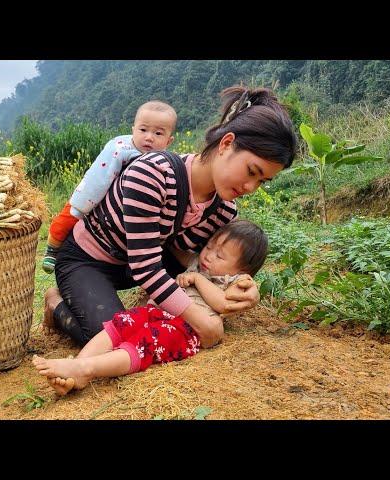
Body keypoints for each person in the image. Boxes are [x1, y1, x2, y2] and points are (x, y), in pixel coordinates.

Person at [43, 85, 298, 352]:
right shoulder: (153, 174)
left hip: (135, 265)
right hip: (89, 259)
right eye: (251, 171)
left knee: (158, 325)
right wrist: (201, 321)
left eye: (261, 181)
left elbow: (199, 263)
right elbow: (146, 266)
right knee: (116, 341)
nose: (250, 187)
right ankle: (57, 304)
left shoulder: (224, 210)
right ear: (226, 144)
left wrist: (242, 284)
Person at [34, 219, 268, 395]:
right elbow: (174, 248)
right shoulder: (198, 261)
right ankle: (77, 368)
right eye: (210, 246)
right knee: (118, 325)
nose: (209, 255)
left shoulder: (231, 282)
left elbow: (221, 304)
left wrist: (198, 279)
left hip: (184, 330)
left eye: (220, 255)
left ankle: (87, 368)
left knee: (143, 343)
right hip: (155, 311)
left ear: (241, 270)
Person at [41, 100, 177, 273]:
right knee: (68, 218)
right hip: (96, 195)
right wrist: (85, 202)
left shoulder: (164, 163)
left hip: (124, 209)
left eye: (158, 133)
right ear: (133, 129)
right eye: (143, 130)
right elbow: (98, 178)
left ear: (169, 141)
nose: (149, 137)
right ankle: (52, 249)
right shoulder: (121, 149)